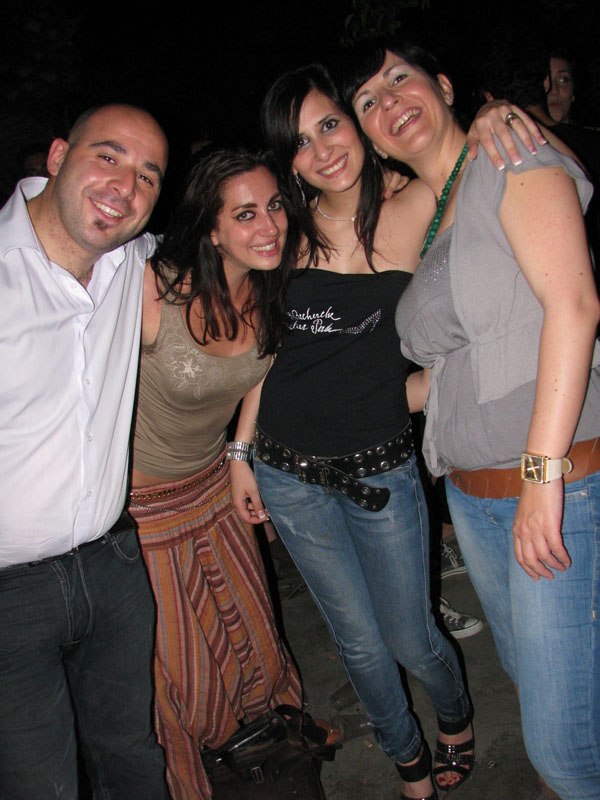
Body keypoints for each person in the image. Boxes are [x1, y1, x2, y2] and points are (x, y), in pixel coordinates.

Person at [230, 63, 541, 800]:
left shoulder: (422, 204)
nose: (322, 150)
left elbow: (488, 161)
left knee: (412, 637)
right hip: (287, 472)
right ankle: (408, 762)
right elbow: (269, 354)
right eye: (299, 143)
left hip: (381, 471)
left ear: (356, 122)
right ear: (288, 162)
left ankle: (456, 718)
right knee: (359, 643)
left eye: (329, 124)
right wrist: (241, 451)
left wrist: (493, 112)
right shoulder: (285, 231)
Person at [347, 37, 600, 800]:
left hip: (558, 483)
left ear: (446, 86)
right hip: (474, 496)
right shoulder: (433, 225)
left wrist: (543, 478)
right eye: (367, 101)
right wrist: (330, 413)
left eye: (400, 78)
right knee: (549, 696)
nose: (389, 102)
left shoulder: (508, 154)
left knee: (563, 749)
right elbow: (450, 375)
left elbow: (574, 306)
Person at [0, 104, 169, 799]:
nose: (125, 186)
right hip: (9, 598)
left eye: (148, 175)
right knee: (41, 785)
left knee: (133, 759)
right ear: (57, 156)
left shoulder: (133, 259)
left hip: (113, 567)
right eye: (108, 156)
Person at [128, 147, 304, 800]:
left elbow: (260, 370)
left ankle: (271, 762)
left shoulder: (270, 284)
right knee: (183, 672)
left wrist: (240, 454)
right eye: (246, 214)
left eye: (275, 207)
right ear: (211, 228)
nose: (270, 226)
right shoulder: (154, 290)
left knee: (253, 636)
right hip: (143, 511)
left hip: (214, 487)